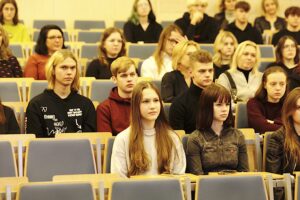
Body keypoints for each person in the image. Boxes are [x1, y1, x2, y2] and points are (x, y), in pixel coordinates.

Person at [110, 81, 186, 178]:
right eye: (146, 101)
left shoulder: (172, 137)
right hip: (133, 192)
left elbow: (179, 175)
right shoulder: (122, 139)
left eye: (156, 100)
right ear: (136, 105)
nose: (152, 106)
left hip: (166, 191)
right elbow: (119, 178)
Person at [25, 49, 96, 137]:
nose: (69, 72)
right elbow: (35, 143)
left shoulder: (86, 104)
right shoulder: (36, 104)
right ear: (53, 70)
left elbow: (89, 141)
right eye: (64, 67)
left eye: (73, 68)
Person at [186, 83, 249, 175]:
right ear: (207, 107)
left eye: (227, 104)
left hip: (235, 184)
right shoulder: (195, 138)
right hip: (207, 186)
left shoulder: (238, 135)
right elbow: (197, 176)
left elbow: (244, 172)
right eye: (219, 105)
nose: (224, 109)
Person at [169, 49, 214, 134]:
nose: (208, 75)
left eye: (210, 70)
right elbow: (177, 140)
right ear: (190, 72)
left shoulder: (221, 99)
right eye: (202, 71)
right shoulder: (179, 103)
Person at [96, 57, 138, 136]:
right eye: (124, 76)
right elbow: (107, 141)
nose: (129, 79)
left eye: (132, 74)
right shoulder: (104, 108)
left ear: (137, 76)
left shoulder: (145, 102)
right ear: (114, 79)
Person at [266, 88, 300, 174]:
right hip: (291, 187)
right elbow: (274, 179)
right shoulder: (278, 138)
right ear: (290, 110)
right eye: (299, 107)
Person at [247, 67, 287, 134]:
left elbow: (294, 126)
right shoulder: (253, 103)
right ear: (265, 85)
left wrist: (272, 122)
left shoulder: (289, 103)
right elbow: (261, 127)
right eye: (273, 84)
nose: (278, 88)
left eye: (282, 84)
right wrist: (282, 124)